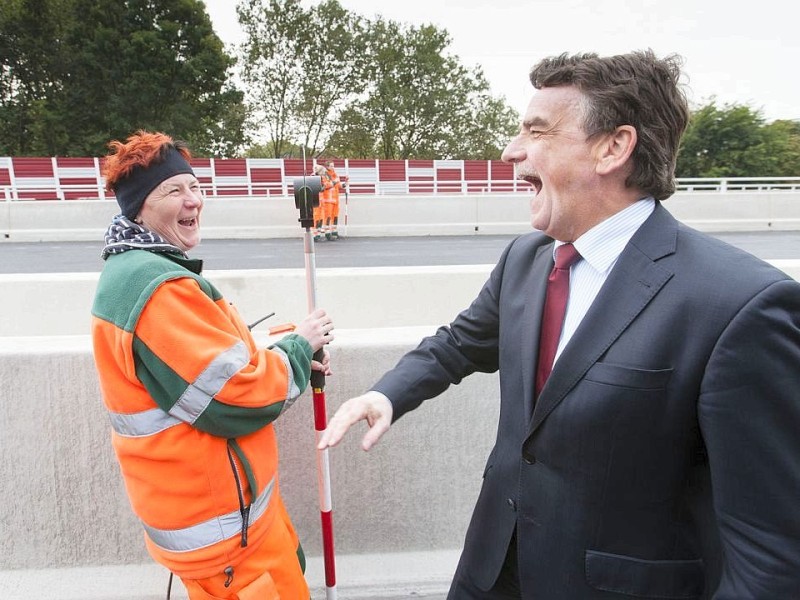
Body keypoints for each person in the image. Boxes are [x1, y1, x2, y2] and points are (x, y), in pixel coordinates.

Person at [318, 50, 800, 599]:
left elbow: (772, 554)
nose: (511, 150)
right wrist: (385, 396)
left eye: (537, 131)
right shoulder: (526, 261)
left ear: (613, 148)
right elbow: (457, 345)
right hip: (492, 570)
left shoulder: (741, 304)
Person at [91, 130, 335, 599]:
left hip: (229, 520)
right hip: (227, 538)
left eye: (195, 187)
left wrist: (283, 352)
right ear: (139, 208)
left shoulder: (135, 272)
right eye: (173, 191)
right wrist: (299, 350)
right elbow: (231, 399)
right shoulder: (156, 287)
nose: (193, 201)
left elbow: (201, 371)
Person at [313, 163, 333, 241]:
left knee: (320, 218)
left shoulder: (319, 177)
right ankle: (315, 235)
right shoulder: (315, 178)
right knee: (317, 218)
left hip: (320, 201)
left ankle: (317, 235)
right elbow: (321, 188)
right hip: (316, 201)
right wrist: (328, 185)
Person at [324, 160, 343, 240]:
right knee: (328, 217)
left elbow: (338, 185)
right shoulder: (324, 175)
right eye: (331, 166)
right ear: (327, 167)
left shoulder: (335, 174)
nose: (333, 167)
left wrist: (344, 184)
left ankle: (334, 232)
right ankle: (327, 234)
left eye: (333, 166)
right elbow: (326, 185)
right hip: (328, 199)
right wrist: (334, 182)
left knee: (335, 216)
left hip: (335, 199)